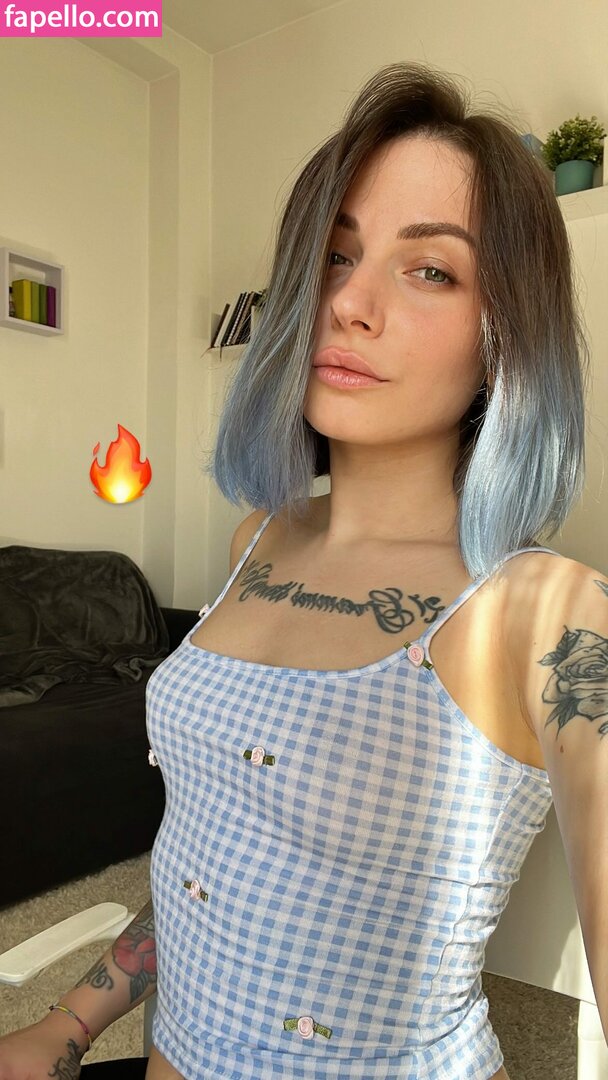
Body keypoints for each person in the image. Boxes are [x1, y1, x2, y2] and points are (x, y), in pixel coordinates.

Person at [1, 59, 604, 1079]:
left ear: (508, 333)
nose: (349, 303)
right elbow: (214, 854)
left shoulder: (550, 610)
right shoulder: (255, 541)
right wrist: (66, 1024)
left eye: (430, 269)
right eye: (334, 255)